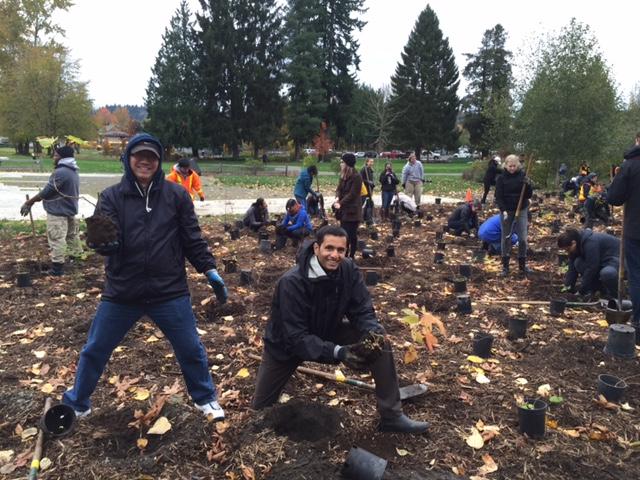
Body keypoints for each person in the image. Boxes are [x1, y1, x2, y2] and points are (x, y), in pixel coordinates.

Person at [61, 134, 228, 420]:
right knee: (95, 348)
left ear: (158, 161)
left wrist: (209, 268)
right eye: (139, 156)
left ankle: (205, 399)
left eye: (151, 157)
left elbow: (192, 238)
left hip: (169, 291)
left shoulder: (176, 196)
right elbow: (107, 235)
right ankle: (78, 402)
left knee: (190, 347)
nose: (145, 161)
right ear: (128, 159)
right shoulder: (112, 196)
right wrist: (104, 244)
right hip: (123, 291)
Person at [251, 225, 429, 434]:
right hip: (286, 346)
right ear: (317, 248)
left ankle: (392, 416)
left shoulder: (348, 270)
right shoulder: (292, 283)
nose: (334, 255)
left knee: (379, 339)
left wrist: (371, 332)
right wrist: (338, 352)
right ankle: (259, 423)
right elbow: (296, 338)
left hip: (329, 329)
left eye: (340, 250)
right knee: (259, 414)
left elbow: (361, 309)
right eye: (329, 248)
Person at [20, 145, 83, 276]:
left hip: (58, 212)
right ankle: (76, 262)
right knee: (72, 236)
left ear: (61, 157)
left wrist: (29, 202)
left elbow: (47, 191)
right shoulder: (73, 170)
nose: (53, 157)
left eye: (55, 155)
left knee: (56, 238)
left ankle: (57, 269)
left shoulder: (61, 172)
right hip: (70, 210)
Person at [607, 132, 640, 337]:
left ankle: (638, 321)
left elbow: (614, 197)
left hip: (636, 229)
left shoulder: (631, 165)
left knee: (637, 275)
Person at [495, 154, 533, 276]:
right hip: (506, 211)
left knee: (522, 239)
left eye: (514, 166)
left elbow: (528, 195)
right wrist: (504, 210)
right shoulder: (501, 178)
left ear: (518, 165)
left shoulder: (522, 177)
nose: (512, 168)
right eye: (509, 166)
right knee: (506, 238)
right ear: (505, 165)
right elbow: (498, 196)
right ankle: (505, 267)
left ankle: (522, 266)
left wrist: (528, 185)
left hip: (521, 209)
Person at [558, 228, 620, 299]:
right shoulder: (576, 246)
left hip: (614, 261)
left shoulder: (590, 242)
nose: (568, 252)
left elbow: (592, 267)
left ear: (573, 243)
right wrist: (567, 288)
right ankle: (599, 289)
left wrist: (582, 291)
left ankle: (614, 296)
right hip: (600, 262)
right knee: (578, 263)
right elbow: (572, 269)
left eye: (568, 249)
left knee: (607, 273)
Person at [333, 153, 363, 258]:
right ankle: (344, 254)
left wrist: (340, 203)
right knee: (344, 234)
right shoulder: (343, 176)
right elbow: (339, 189)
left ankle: (351, 255)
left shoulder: (357, 177)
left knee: (351, 235)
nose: (341, 164)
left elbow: (352, 194)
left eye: (342, 162)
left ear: (347, 164)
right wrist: (337, 198)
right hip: (344, 210)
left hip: (353, 211)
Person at [360, 157, 375, 224]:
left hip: (370, 189)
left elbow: (371, 179)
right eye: (370, 162)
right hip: (364, 190)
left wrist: (372, 184)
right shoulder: (364, 169)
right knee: (363, 204)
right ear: (367, 162)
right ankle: (361, 218)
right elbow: (360, 179)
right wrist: (367, 182)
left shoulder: (370, 169)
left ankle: (367, 218)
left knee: (369, 203)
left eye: (372, 162)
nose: (372, 163)